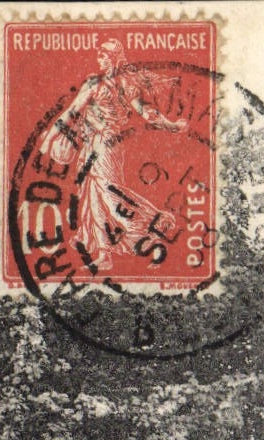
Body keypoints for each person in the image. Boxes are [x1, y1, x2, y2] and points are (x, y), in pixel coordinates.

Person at [39, 40, 186, 273]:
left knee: (107, 194)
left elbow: (71, 112)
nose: (100, 59)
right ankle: (99, 247)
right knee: (94, 194)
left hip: (104, 145)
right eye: (100, 55)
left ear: (114, 58)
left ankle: (153, 222)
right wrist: (171, 125)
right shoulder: (123, 84)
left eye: (104, 56)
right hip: (108, 145)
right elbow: (146, 112)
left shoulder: (97, 84)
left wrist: (48, 140)